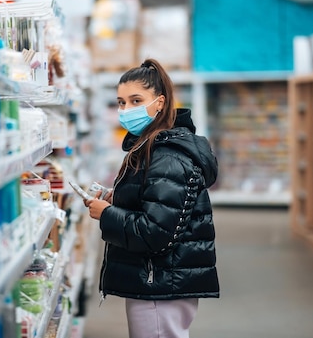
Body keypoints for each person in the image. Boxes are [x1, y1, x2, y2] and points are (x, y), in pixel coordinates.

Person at [84, 58, 219, 338]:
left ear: (159, 102)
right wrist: (116, 199)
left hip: (160, 284)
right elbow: (156, 204)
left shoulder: (166, 155)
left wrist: (107, 214)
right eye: (121, 103)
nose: (126, 110)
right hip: (160, 279)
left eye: (136, 100)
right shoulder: (153, 147)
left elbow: (155, 232)